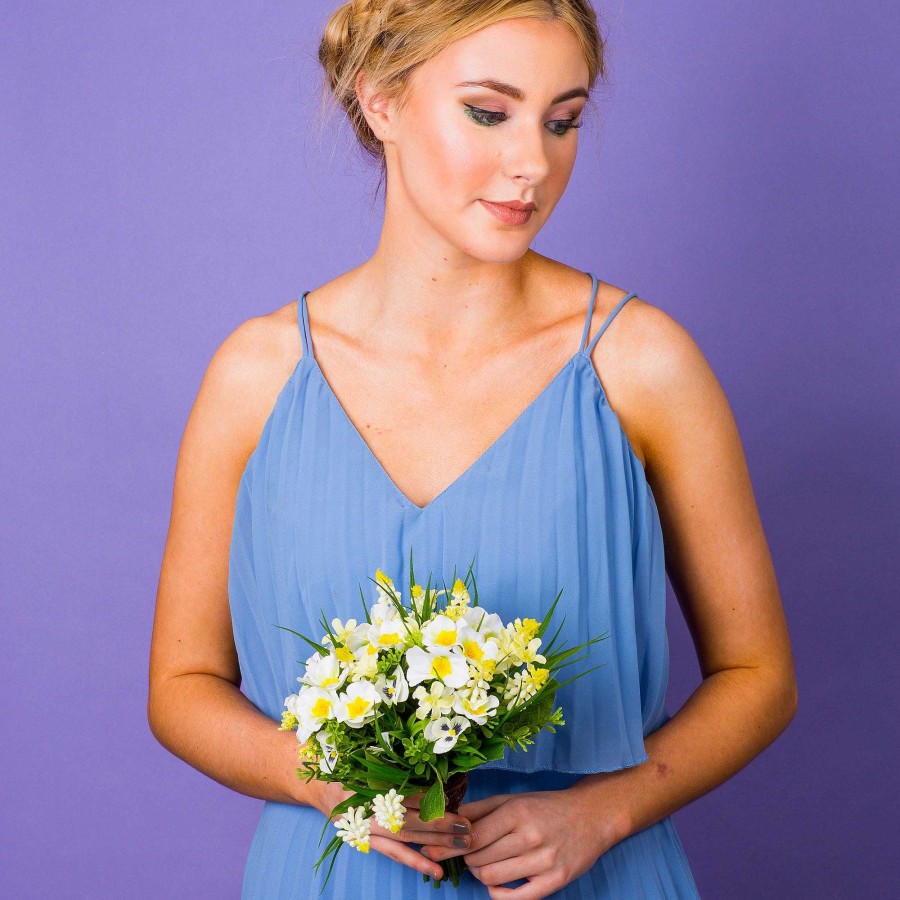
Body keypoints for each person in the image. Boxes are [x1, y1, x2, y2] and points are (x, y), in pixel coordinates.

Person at [148, 2, 798, 897]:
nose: (534, 161)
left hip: (595, 874)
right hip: (338, 875)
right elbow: (181, 686)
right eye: (489, 112)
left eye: (562, 121)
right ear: (380, 100)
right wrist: (329, 780)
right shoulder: (255, 375)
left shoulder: (644, 364)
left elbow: (759, 675)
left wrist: (601, 813)